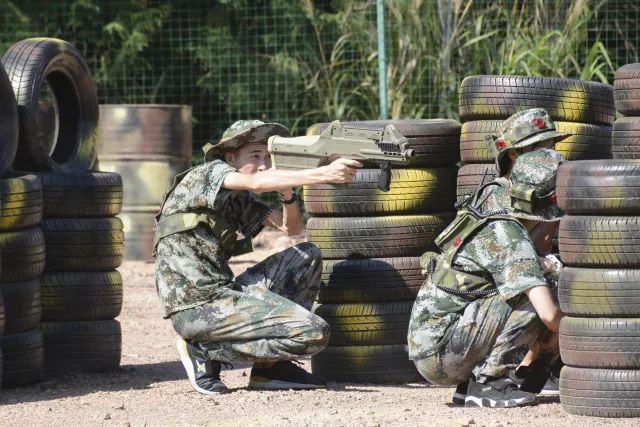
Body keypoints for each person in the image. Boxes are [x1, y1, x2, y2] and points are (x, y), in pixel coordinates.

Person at [154, 120, 362, 395]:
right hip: (196, 306)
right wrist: (324, 173)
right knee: (313, 332)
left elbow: (291, 229)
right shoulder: (207, 174)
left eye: (268, 157)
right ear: (231, 158)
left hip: (224, 294)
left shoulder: (239, 200)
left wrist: (287, 195)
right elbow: (257, 182)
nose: (264, 164)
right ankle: (203, 349)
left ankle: (270, 368)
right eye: (255, 155)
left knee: (307, 256)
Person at [407, 148, 564, 408]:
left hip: (436, 345)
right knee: (544, 293)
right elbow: (548, 315)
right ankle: (488, 382)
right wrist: (586, 335)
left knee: (543, 285)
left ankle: (472, 385)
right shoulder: (509, 237)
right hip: (440, 354)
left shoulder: (498, 220)